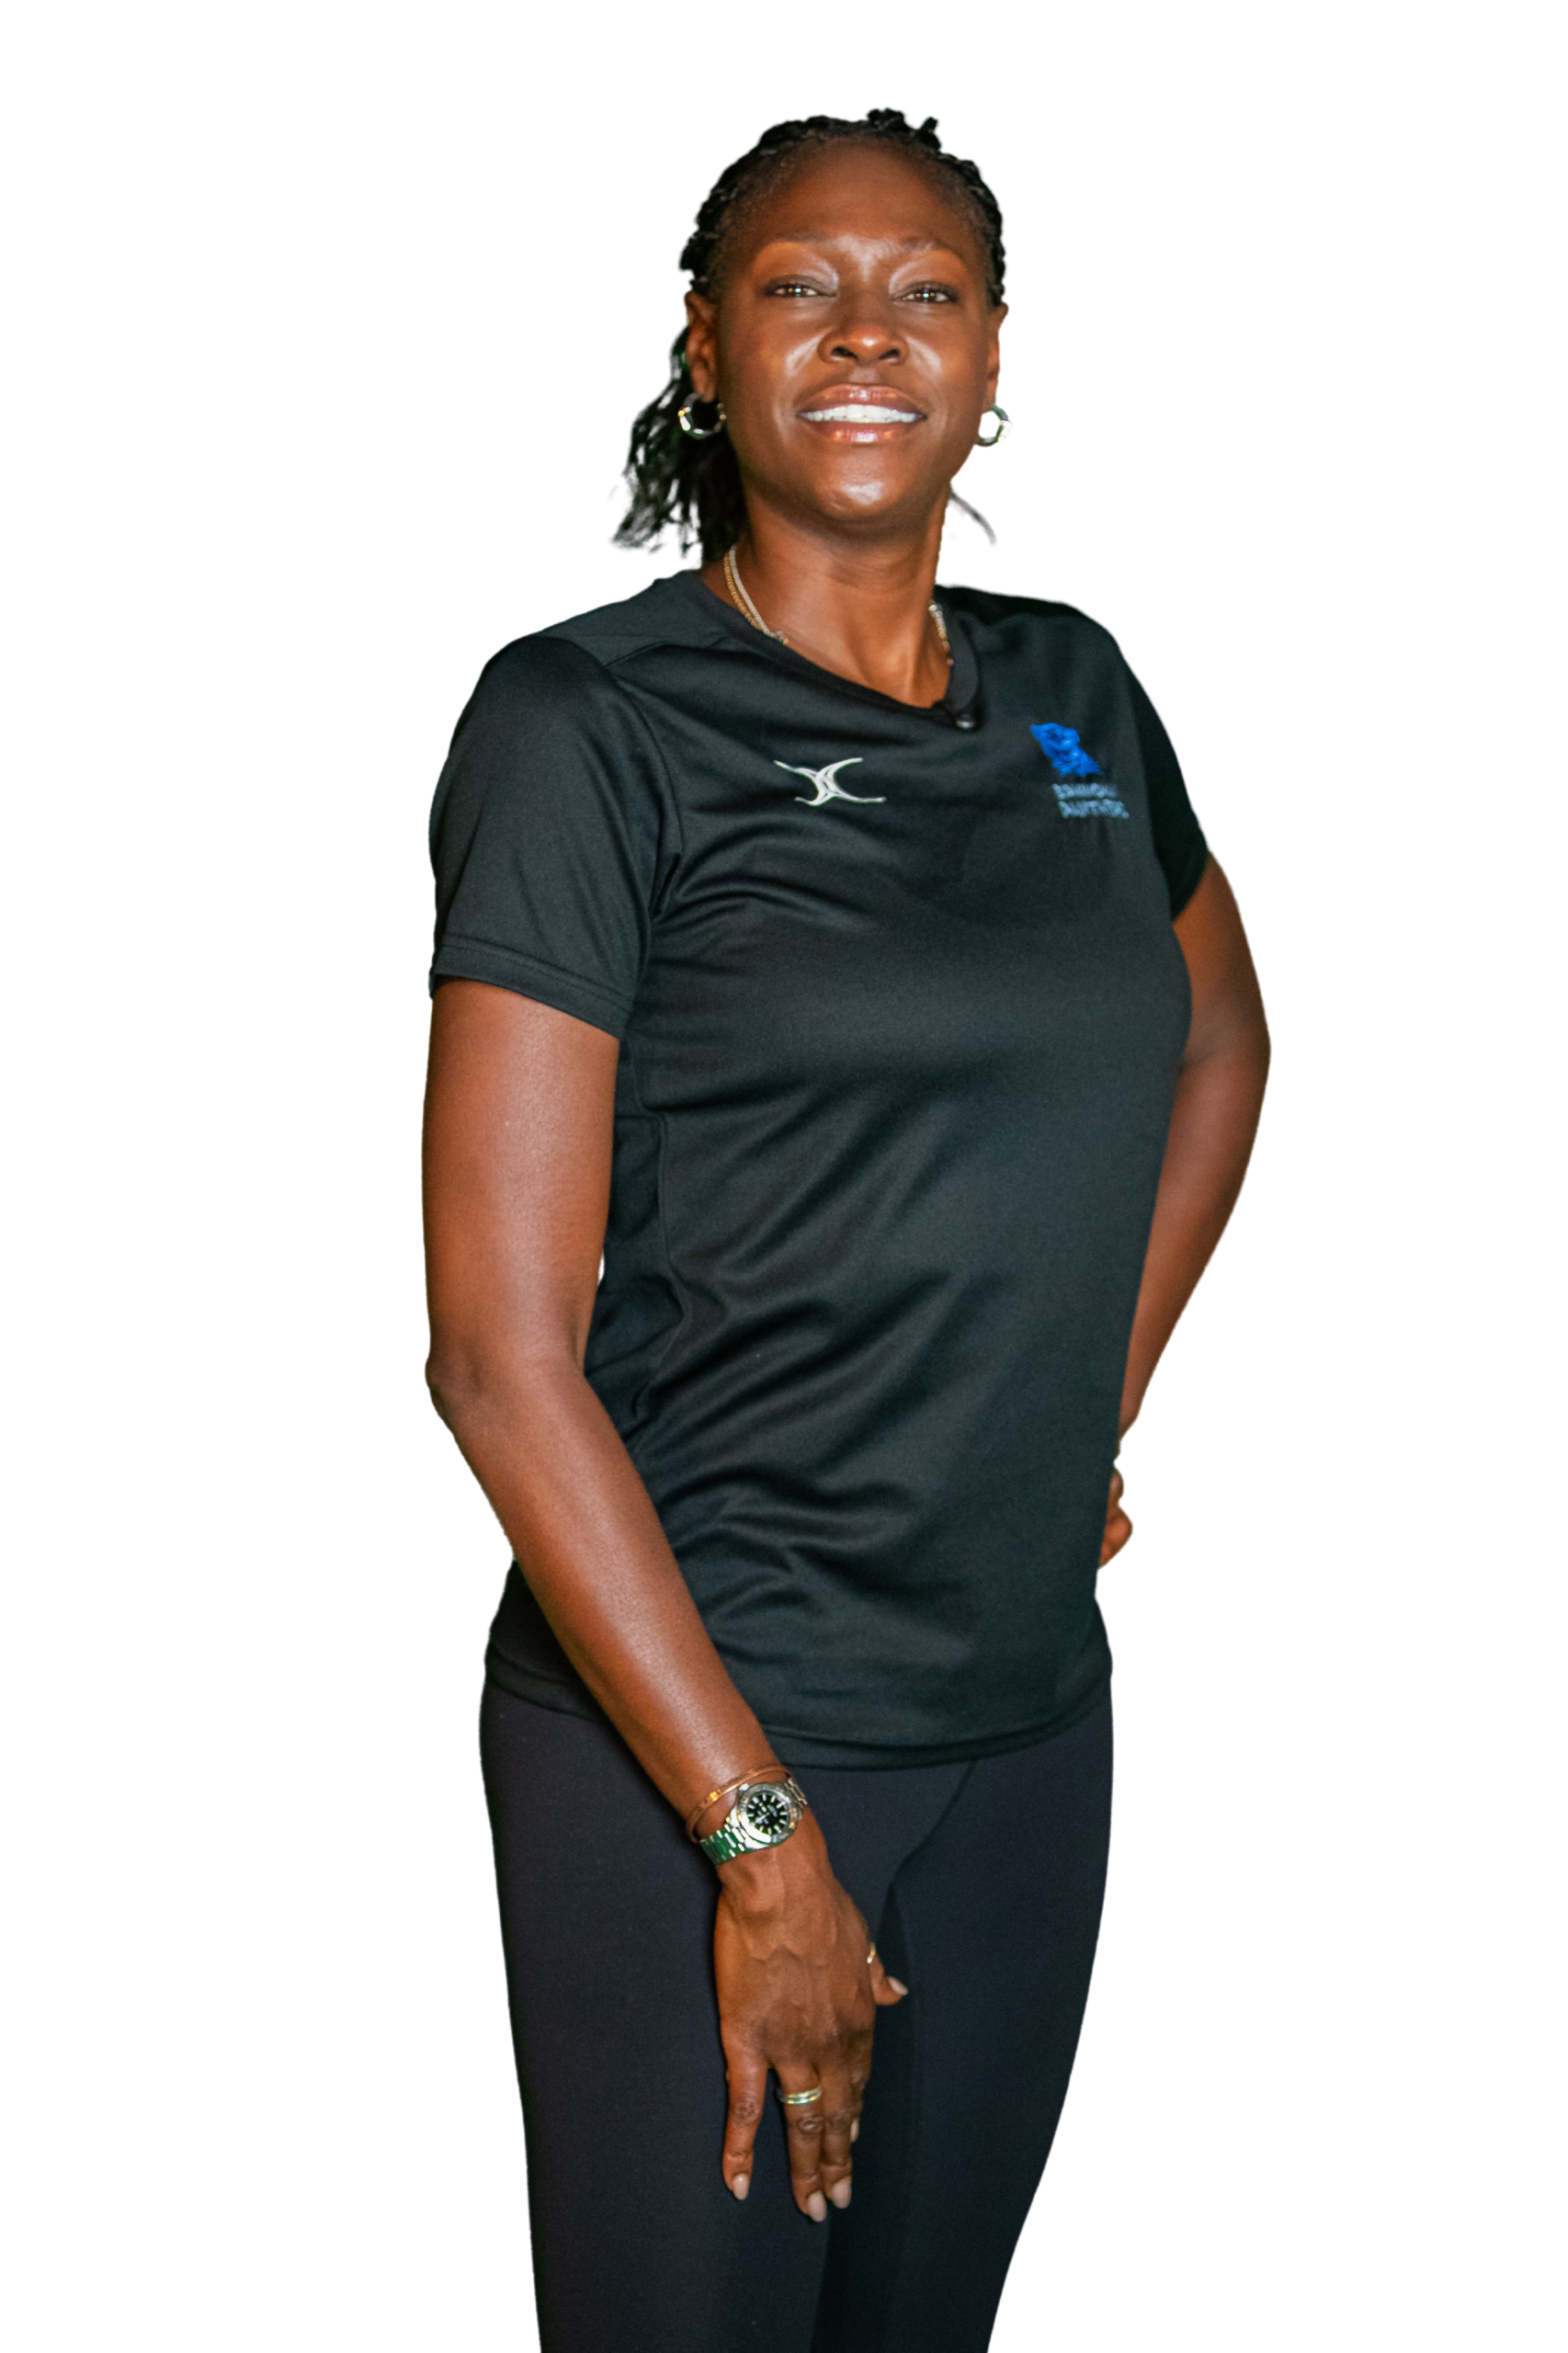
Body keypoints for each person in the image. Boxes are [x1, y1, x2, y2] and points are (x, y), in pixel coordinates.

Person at [421, 108, 1270, 2353]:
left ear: (996, 359)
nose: (867, 332)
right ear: (710, 355)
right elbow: (493, 1353)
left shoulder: (1079, 693)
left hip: (1031, 1717)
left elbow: (1221, 1037)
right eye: (801, 286)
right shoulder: (586, 722)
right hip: (700, 1729)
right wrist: (756, 1834)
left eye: (925, 291)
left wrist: (1096, 1402)